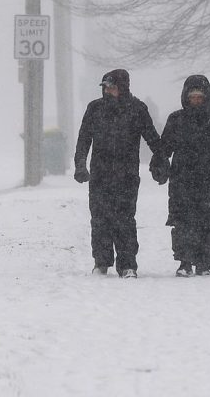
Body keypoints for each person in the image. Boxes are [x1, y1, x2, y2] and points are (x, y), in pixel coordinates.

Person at [152, 74, 210, 277]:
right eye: (192, 96)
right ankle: (184, 261)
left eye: (199, 96)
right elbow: (164, 147)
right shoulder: (176, 119)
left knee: (208, 221)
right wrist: (159, 167)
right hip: (182, 179)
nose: (195, 100)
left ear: (206, 97)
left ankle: (204, 261)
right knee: (182, 222)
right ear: (186, 97)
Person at [74, 69, 162, 278]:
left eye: (112, 87)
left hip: (127, 175)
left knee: (125, 219)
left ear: (123, 87)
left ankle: (127, 264)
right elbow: (83, 139)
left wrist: (160, 160)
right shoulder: (95, 109)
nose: (108, 91)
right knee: (100, 219)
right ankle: (101, 262)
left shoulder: (137, 109)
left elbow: (152, 137)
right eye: (106, 87)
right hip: (100, 175)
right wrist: (80, 164)